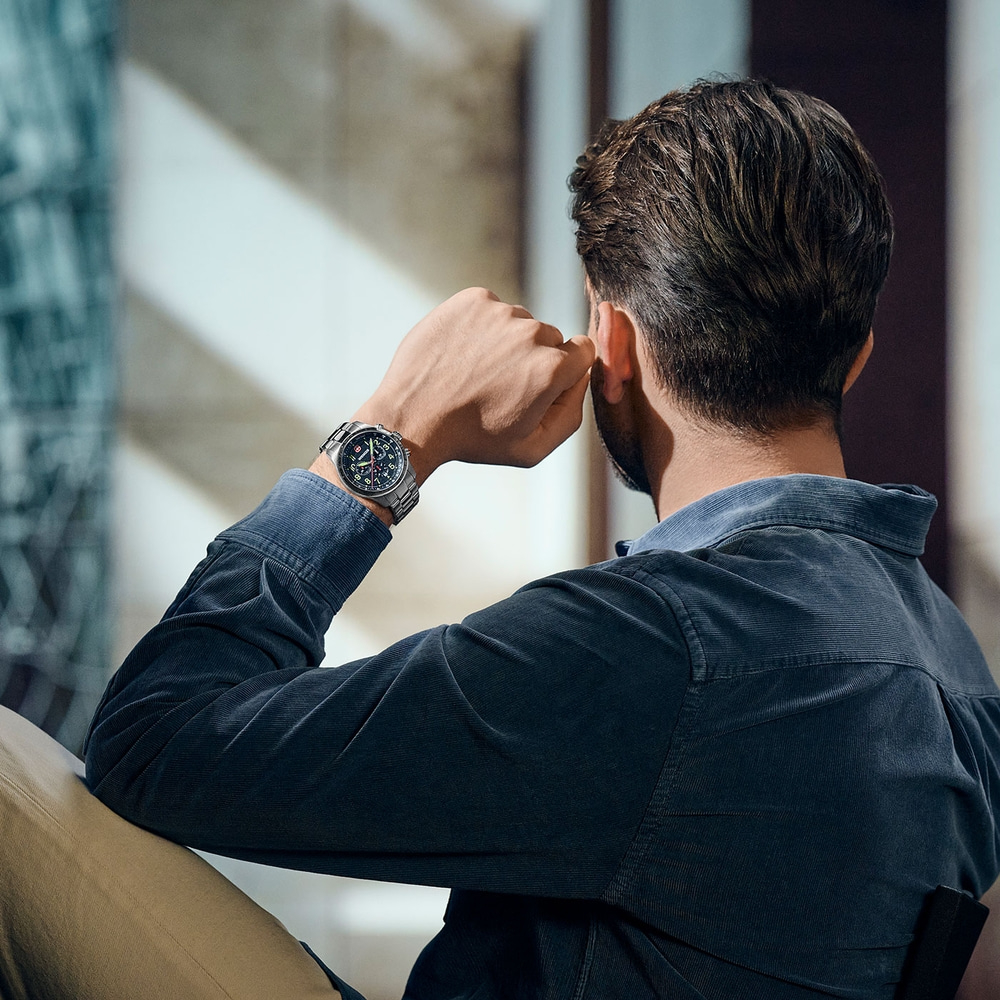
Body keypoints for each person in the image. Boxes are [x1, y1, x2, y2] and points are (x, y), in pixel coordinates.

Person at [83, 79, 1000, 999]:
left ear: (615, 341)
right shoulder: (954, 665)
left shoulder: (651, 649)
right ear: (859, 355)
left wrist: (396, 428)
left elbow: (151, 741)